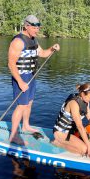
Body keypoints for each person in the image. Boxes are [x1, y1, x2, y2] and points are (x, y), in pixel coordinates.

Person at [8, 14, 60, 145]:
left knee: (29, 103)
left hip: (31, 76)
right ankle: (13, 135)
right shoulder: (18, 41)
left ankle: (25, 126)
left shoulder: (34, 40)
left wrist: (52, 48)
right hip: (21, 77)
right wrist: (20, 82)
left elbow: (42, 53)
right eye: (35, 28)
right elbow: (11, 64)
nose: (37, 30)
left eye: (38, 27)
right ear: (26, 26)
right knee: (21, 105)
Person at [52, 83, 90, 158]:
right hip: (61, 133)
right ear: (82, 94)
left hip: (72, 132)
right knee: (85, 149)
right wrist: (88, 146)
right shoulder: (74, 103)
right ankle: (57, 142)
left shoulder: (85, 101)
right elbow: (79, 126)